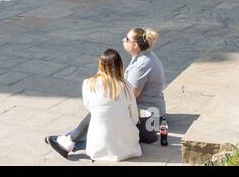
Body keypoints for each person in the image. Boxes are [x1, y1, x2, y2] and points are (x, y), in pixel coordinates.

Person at [46, 27, 166, 158]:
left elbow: (132, 95)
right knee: (105, 115)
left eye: (126, 39)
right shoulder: (145, 56)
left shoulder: (140, 66)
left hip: (151, 118)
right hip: (149, 112)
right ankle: (68, 139)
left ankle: (68, 140)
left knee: (100, 114)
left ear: (135, 45)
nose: (123, 40)